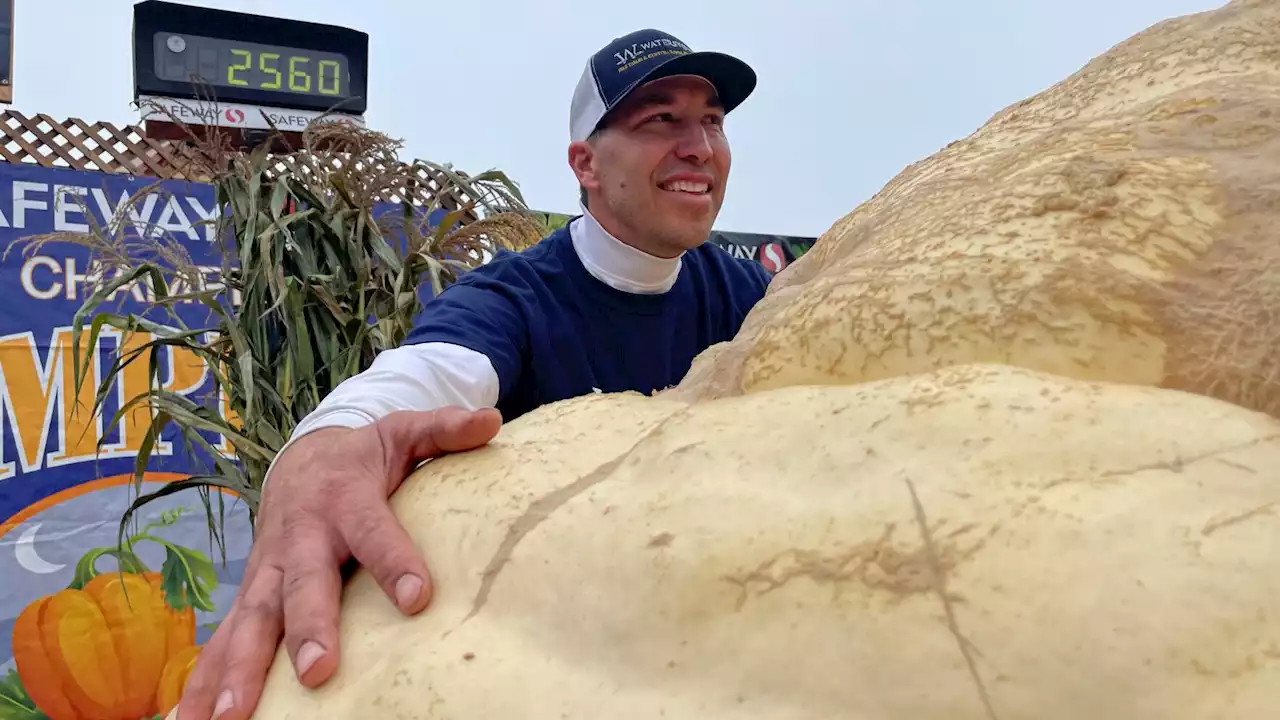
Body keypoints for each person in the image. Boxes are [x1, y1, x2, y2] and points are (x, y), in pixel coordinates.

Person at [173, 27, 771, 720]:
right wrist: (324, 454)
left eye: (712, 120)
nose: (699, 146)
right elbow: (427, 371)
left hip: (708, 637)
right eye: (660, 118)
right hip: (562, 664)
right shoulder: (515, 297)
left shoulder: (746, 295)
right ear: (586, 164)